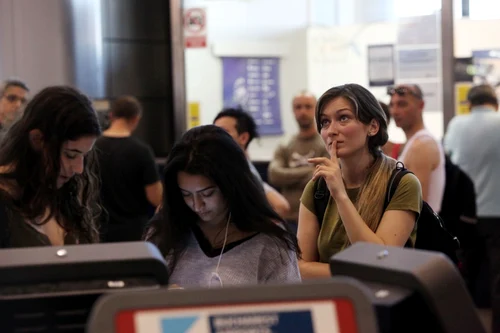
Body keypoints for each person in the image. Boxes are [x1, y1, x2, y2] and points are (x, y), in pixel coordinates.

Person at [145, 125, 301, 288]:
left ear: (231, 185)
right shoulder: (163, 233)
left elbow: (290, 310)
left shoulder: (270, 244)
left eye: (207, 194)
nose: (197, 205)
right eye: (186, 194)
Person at [298, 84, 422, 279]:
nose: (331, 130)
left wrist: (340, 195)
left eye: (343, 118)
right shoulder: (317, 187)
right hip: (331, 304)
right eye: (324, 122)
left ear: (373, 126)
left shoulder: (401, 183)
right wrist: (357, 274)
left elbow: (379, 262)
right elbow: (300, 268)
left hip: (381, 304)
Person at [0, 86, 102, 248]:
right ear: (37, 140)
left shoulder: (62, 193)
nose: (79, 168)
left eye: (83, 155)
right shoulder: (5, 201)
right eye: (70, 155)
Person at [444, 84, 500, 308]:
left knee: (466, 275)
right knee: (497, 280)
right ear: (494, 103)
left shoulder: (457, 125)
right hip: (497, 215)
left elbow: (448, 162)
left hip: (465, 217)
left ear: (470, 104)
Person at [96, 96, 162, 242]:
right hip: (134, 233)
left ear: (111, 115)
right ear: (135, 119)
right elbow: (155, 197)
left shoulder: (93, 148)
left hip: (99, 230)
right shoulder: (141, 151)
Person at [213, 107, 290, 218]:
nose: (215, 137)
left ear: (243, 138)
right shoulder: (240, 167)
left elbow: (282, 207)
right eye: (214, 131)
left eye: (223, 132)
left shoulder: (242, 172)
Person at [268, 91, 328, 231]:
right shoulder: (284, 144)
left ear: (317, 110)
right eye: (298, 107)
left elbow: (323, 178)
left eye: (308, 106)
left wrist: (288, 177)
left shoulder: (326, 142)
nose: (303, 111)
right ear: (293, 110)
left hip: (319, 219)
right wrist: (310, 172)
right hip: (288, 221)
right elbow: (274, 175)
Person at [388, 84, 445, 213]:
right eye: (392, 105)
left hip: (419, 231)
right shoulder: (415, 143)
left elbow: (416, 205)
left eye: (402, 104)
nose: (395, 111)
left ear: (421, 105)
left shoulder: (421, 146)